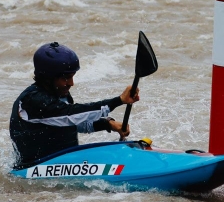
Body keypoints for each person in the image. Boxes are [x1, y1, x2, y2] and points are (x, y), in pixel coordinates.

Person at [9, 42, 138, 168]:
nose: (71, 83)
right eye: (66, 78)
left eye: (72, 76)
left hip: (66, 162)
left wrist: (108, 124)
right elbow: (70, 115)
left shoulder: (59, 94)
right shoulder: (33, 101)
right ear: (48, 77)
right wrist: (118, 100)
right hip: (37, 169)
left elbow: (75, 122)